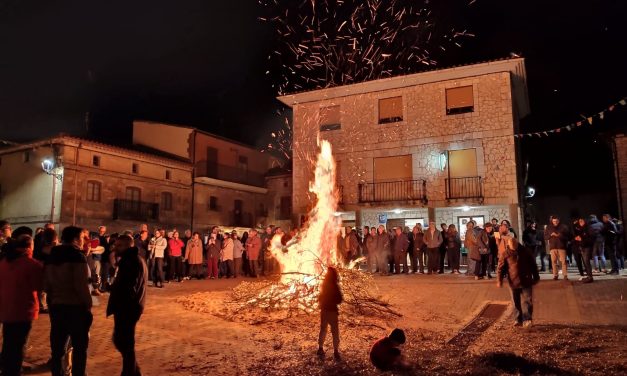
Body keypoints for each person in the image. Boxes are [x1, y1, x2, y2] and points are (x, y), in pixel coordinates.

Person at [44, 226, 93, 376]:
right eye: (82, 237)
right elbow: (80, 285)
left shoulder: (52, 255)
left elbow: (46, 284)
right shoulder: (77, 257)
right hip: (75, 308)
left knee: (58, 349)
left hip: (57, 306)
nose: (84, 240)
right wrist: (88, 305)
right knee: (79, 349)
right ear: (75, 239)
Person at [0, 235, 43, 376]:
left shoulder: (4, 262)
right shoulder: (32, 265)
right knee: (18, 345)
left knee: (8, 343)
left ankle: (6, 369)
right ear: (30, 246)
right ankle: (12, 371)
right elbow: (39, 286)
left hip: (6, 308)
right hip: (23, 310)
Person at [106, 234, 146, 376]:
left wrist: (121, 300)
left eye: (119, 245)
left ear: (127, 245)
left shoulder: (131, 261)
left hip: (127, 307)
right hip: (129, 306)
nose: (115, 248)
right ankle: (132, 371)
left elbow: (130, 286)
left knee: (125, 342)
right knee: (122, 341)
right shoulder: (131, 259)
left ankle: (130, 372)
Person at [496, 224, 540, 328]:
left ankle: (527, 319)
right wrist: (499, 280)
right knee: (515, 303)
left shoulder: (525, 252)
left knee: (527, 301)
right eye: (512, 249)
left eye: (515, 248)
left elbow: (533, 265)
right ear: (509, 246)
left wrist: (536, 276)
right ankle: (518, 319)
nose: (514, 250)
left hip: (526, 280)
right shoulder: (505, 254)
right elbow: (501, 268)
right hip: (513, 281)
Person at [317, 267, 342, 361]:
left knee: (323, 329)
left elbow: (320, 297)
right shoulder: (335, 285)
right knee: (335, 332)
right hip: (332, 311)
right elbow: (339, 299)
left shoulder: (324, 285)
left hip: (324, 311)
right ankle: (335, 351)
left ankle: (320, 348)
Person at [544, 216, 570, 280]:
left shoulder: (563, 227)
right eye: (554, 221)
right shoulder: (549, 227)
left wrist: (560, 236)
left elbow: (568, 237)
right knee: (553, 261)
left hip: (561, 247)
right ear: (552, 221)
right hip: (553, 247)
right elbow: (545, 237)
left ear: (559, 220)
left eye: (556, 221)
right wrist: (551, 235)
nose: (555, 222)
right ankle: (555, 275)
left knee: (563, 261)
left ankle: (565, 275)